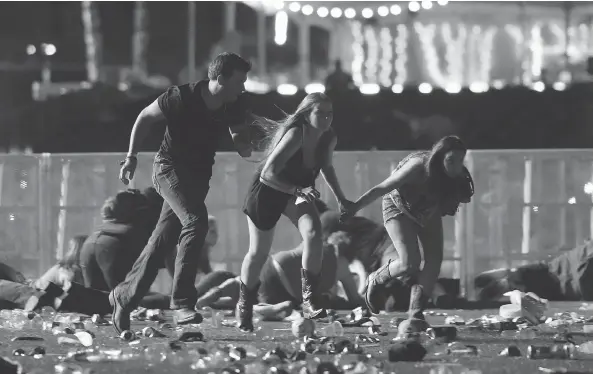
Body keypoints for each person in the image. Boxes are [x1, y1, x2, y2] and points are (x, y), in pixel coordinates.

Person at [111, 52, 254, 333]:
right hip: (168, 170)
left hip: (198, 179)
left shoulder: (233, 104)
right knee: (196, 221)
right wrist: (131, 156)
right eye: (239, 81)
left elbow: (242, 143)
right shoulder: (180, 97)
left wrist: (259, 141)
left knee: (161, 241)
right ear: (220, 78)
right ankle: (183, 303)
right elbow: (144, 118)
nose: (243, 88)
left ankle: (123, 297)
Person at [236, 92, 352, 332]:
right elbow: (268, 173)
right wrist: (297, 189)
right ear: (306, 114)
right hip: (268, 190)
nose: (326, 118)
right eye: (320, 113)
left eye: (330, 113)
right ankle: (244, 305)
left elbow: (327, 168)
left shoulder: (328, 137)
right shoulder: (296, 133)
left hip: (296, 193)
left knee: (313, 233)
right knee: (258, 253)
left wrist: (342, 199)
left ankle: (310, 299)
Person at [342, 136, 474, 331]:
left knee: (434, 259)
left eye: (460, 161)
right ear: (439, 157)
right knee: (409, 262)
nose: (455, 166)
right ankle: (375, 279)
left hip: (427, 211)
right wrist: (354, 207)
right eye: (450, 160)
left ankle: (416, 312)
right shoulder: (418, 166)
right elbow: (383, 187)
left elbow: (462, 198)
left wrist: (455, 196)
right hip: (398, 207)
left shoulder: (457, 175)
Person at [195, 230, 364, 315]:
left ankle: (215, 296)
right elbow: (355, 300)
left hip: (274, 263)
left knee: (244, 284)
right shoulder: (342, 267)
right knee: (264, 304)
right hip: (286, 291)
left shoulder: (316, 243)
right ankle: (262, 309)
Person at [475, 239, 593, 302]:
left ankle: (511, 277)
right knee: (553, 277)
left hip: (565, 276)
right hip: (570, 280)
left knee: (551, 274)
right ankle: (511, 279)